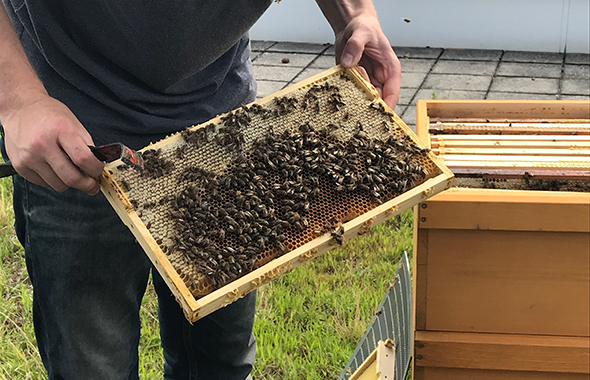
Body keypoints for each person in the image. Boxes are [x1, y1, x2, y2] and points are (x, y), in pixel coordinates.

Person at [0, 0, 401, 379]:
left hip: (224, 135)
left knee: (221, 362)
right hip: (76, 138)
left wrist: (354, 14)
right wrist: (18, 100)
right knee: (92, 367)